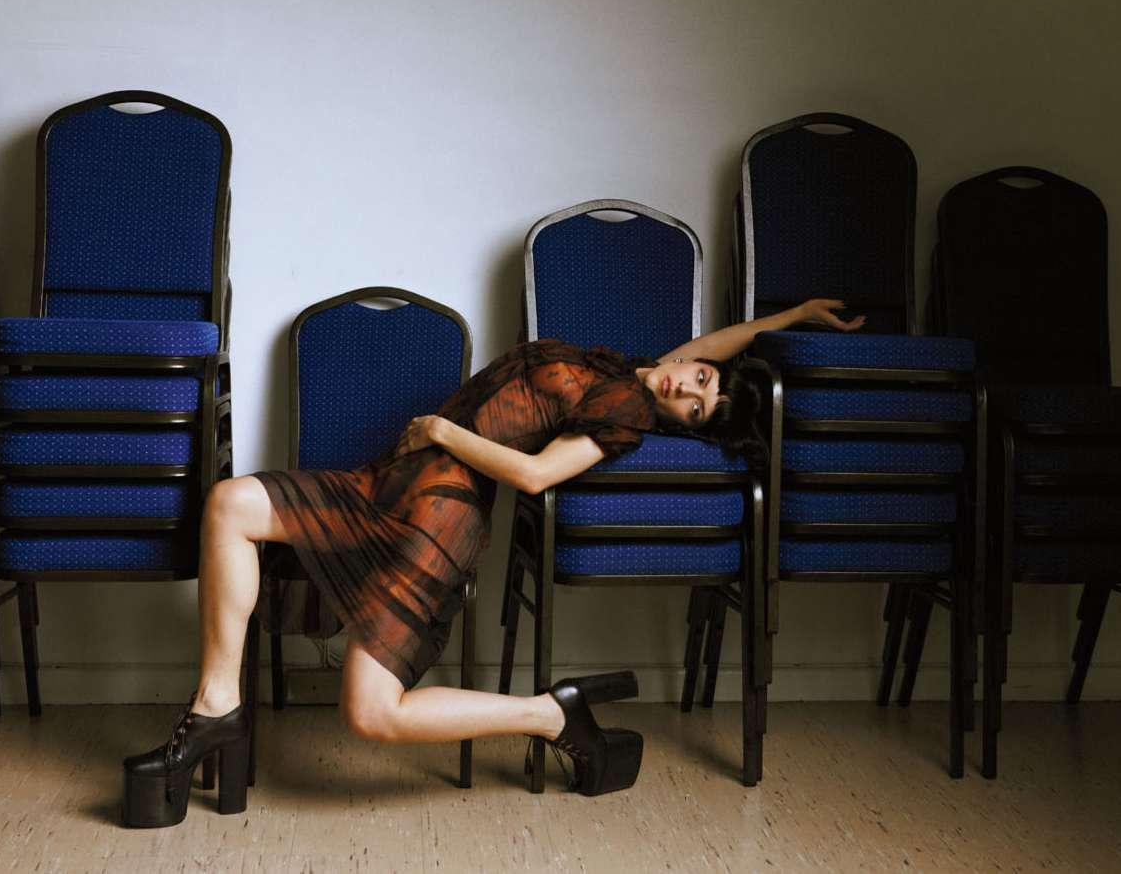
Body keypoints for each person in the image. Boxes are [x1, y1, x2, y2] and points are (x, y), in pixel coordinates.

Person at [122, 298, 864, 828]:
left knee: (370, 712)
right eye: (700, 377)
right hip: (388, 480)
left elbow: (536, 475)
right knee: (229, 504)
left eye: (696, 406)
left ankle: (547, 715)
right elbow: (719, 343)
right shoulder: (627, 369)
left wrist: (444, 431)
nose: (688, 387)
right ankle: (216, 706)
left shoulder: (627, 415)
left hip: (439, 513)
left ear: (682, 425)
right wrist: (793, 314)